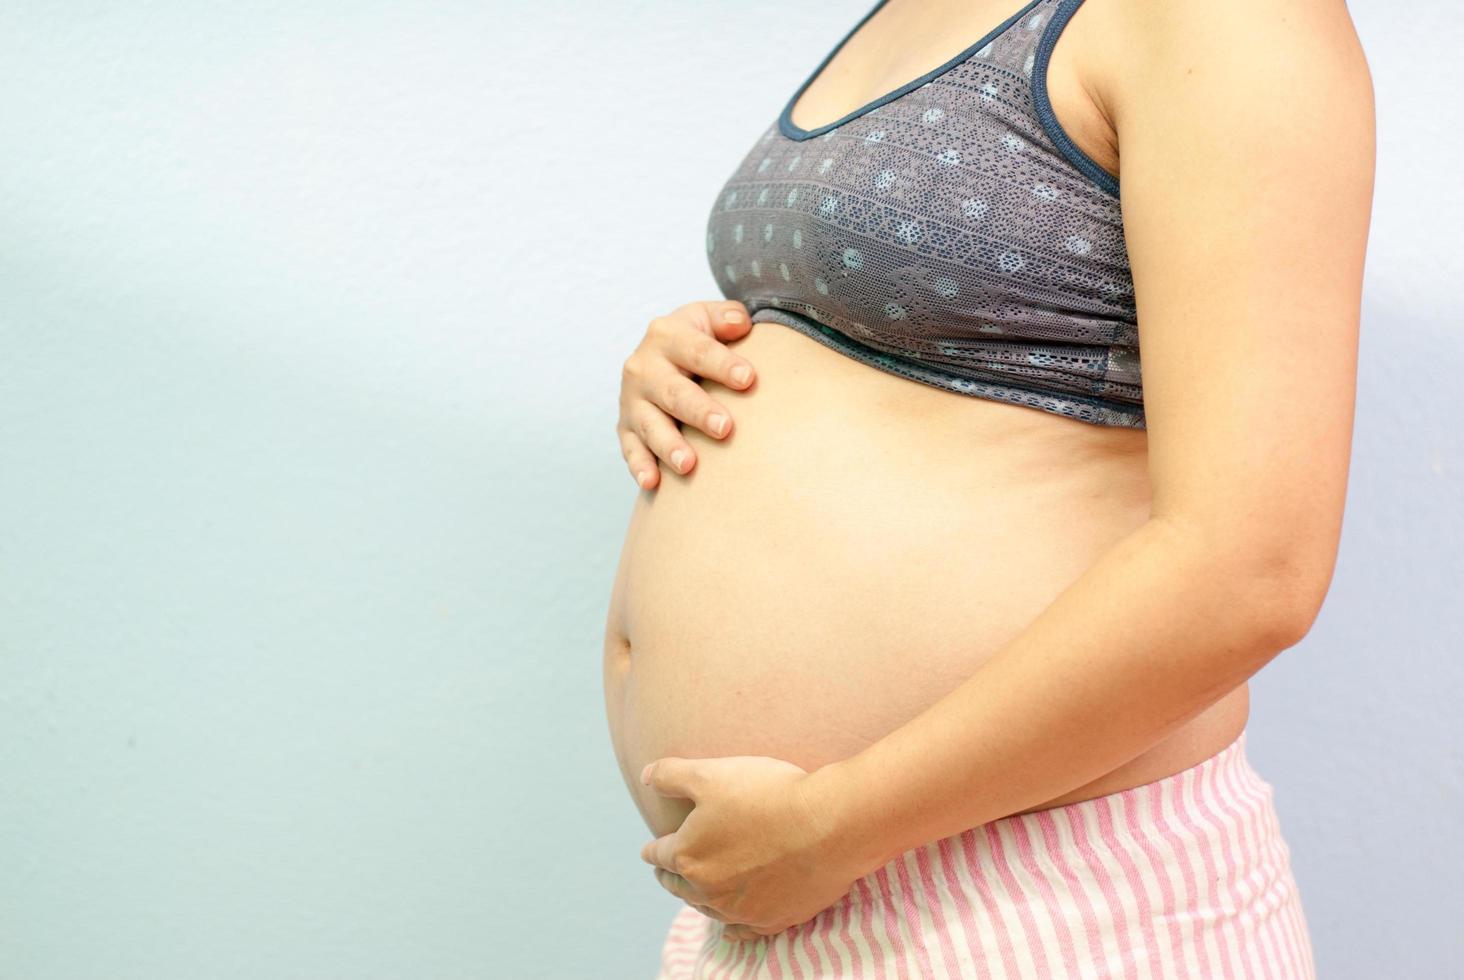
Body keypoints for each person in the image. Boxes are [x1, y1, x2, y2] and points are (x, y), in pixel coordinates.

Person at [603, 0, 1374, 975]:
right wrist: (699, 358)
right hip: (784, 896)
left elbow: (1253, 564)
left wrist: (832, 824)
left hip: (1056, 902)